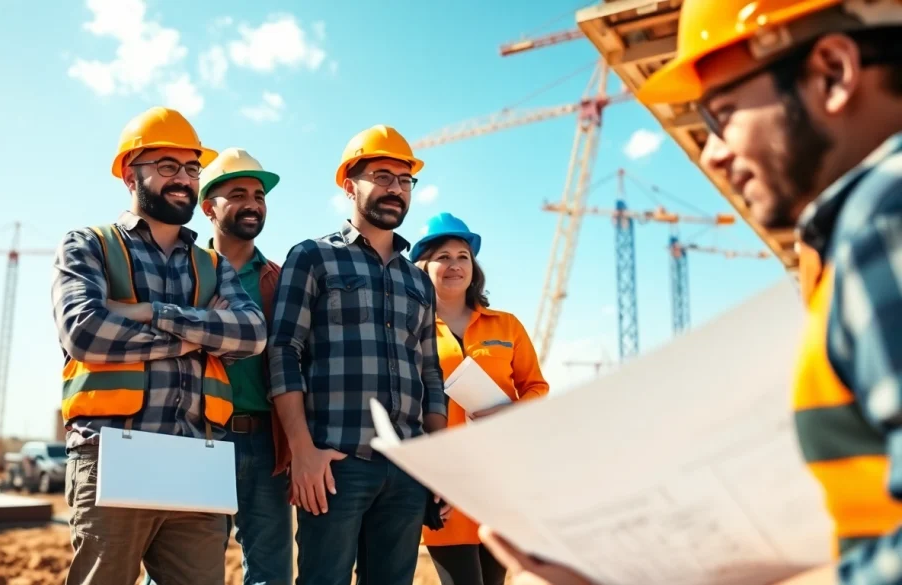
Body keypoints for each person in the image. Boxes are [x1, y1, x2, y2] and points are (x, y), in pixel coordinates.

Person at [480, 0, 902, 583]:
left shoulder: (886, 222)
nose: (713, 152)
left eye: (722, 114)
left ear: (832, 72)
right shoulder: (863, 233)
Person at [51, 106, 268, 585]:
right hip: (112, 453)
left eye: (191, 168)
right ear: (131, 174)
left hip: (198, 459)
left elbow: (250, 333)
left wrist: (155, 313)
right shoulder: (89, 245)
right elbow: (86, 332)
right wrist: (198, 339)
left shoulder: (213, 265)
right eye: (167, 166)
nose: (183, 179)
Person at [267, 124, 451, 585]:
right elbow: (283, 352)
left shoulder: (418, 281)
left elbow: (430, 375)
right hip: (334, 464)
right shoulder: (312, 257)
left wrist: (439, 463)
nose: (396, 189)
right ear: (350, 186)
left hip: (407, 469)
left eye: (404, 180)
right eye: (383, 176)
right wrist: (302, 451)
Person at [409, 212, 550, 585]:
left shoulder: (506, 325)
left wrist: (511, 412)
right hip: (445, 481)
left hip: (499, 477)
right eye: (443, 257)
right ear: (422, 267)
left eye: (463, 256)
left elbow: (538, 387)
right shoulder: (409, 330)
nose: (454, 265)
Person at [198, 147, 294, 585]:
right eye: (238, 194)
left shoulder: (280, 279)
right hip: (195, 437)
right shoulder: (184, 272)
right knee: (184, 570)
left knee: (271, 574)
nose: (253, 203)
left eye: (259, 194)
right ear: (208, 207)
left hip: (264, 444)